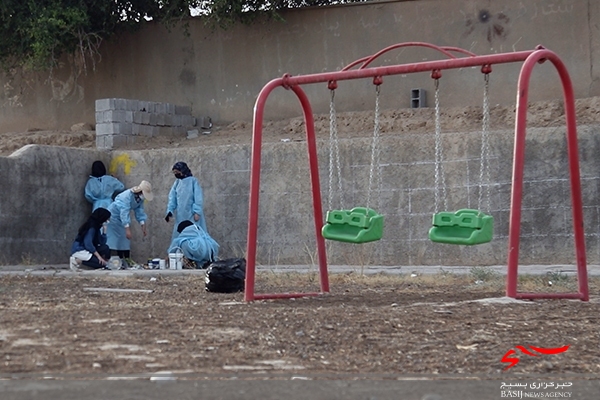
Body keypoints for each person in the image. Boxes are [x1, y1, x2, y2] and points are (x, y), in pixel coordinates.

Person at [106, 180, 153, 268]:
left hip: (122, 218)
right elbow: (124, 212)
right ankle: (116, 260)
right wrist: (127, 228)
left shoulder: (139, 199)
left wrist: (143, 224)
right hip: (113, 217)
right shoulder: (126, 196)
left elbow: (139, 211)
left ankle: (126, 259)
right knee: (116, 239)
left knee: (125, 240)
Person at [165, 161, 207, 241]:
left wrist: (197, 212)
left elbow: (198, 198)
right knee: (180, 236)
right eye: (174, 172)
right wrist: (170, 211)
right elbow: (172, 198)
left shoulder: (193, 181)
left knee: (194, 235)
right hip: (181, 216)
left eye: (177, 172)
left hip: (192, 215)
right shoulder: (177, 183)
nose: (176, 174)